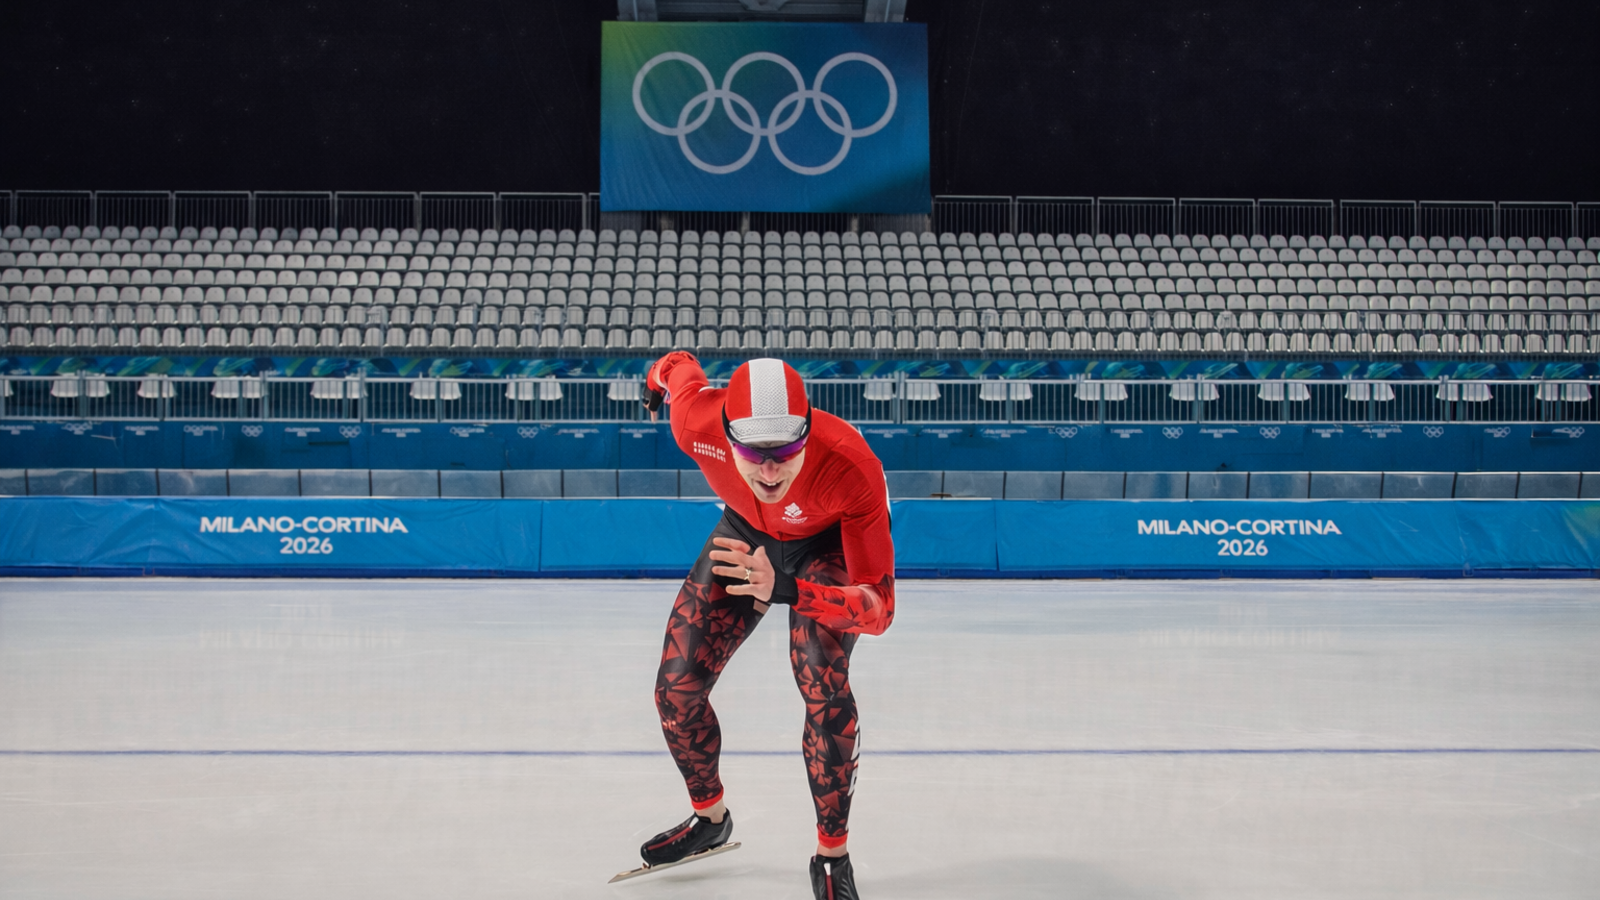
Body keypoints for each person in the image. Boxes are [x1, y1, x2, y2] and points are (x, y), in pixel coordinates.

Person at [637, 352, 894, 900]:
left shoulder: (852, 466)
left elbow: (879, 610)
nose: (770, 472)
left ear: (808, 431)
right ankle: (710, 819)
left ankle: (832, 857)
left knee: (822, 677)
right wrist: (654, 384)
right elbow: (676, 366)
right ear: (727, 435)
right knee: (676, 689)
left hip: (825, 544)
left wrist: (790, 589)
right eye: (754, 453)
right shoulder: (695, 423)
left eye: (786, 451)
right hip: (745, 530)